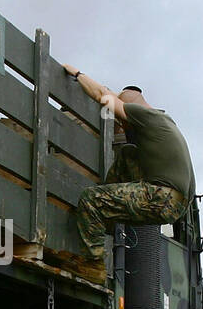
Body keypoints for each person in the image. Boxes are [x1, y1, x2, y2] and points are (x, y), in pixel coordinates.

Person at [59, 65, 193, 284]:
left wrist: (77, 74)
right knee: (128, 153)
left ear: (131, 107)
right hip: (175, 204)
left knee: (90, 199)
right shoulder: (167, 124)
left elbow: (103, 97)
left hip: (161, 196)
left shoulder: (146, 117)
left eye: (122, 118)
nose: (120, 124)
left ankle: (93, 266)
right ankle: (103, 219)